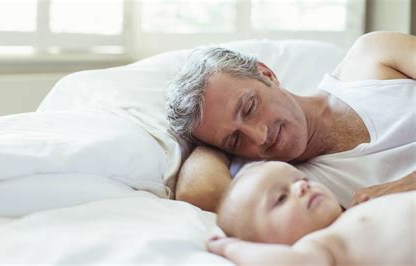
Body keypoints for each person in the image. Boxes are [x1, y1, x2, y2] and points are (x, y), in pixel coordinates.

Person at [166, 31, 415, 211]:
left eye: (249, 107)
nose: (260, 136)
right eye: (235, 139)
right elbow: (197, 193)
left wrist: (407, 185)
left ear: (267, 74)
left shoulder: (373, 57)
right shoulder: (292, 188)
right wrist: (210, 145)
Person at [206, 161, 415, 265]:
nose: (301, 187)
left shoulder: (348, 218)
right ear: (263, 245)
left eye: (301, 179)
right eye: (281, 198)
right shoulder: (318, 245)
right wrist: (231, 248)